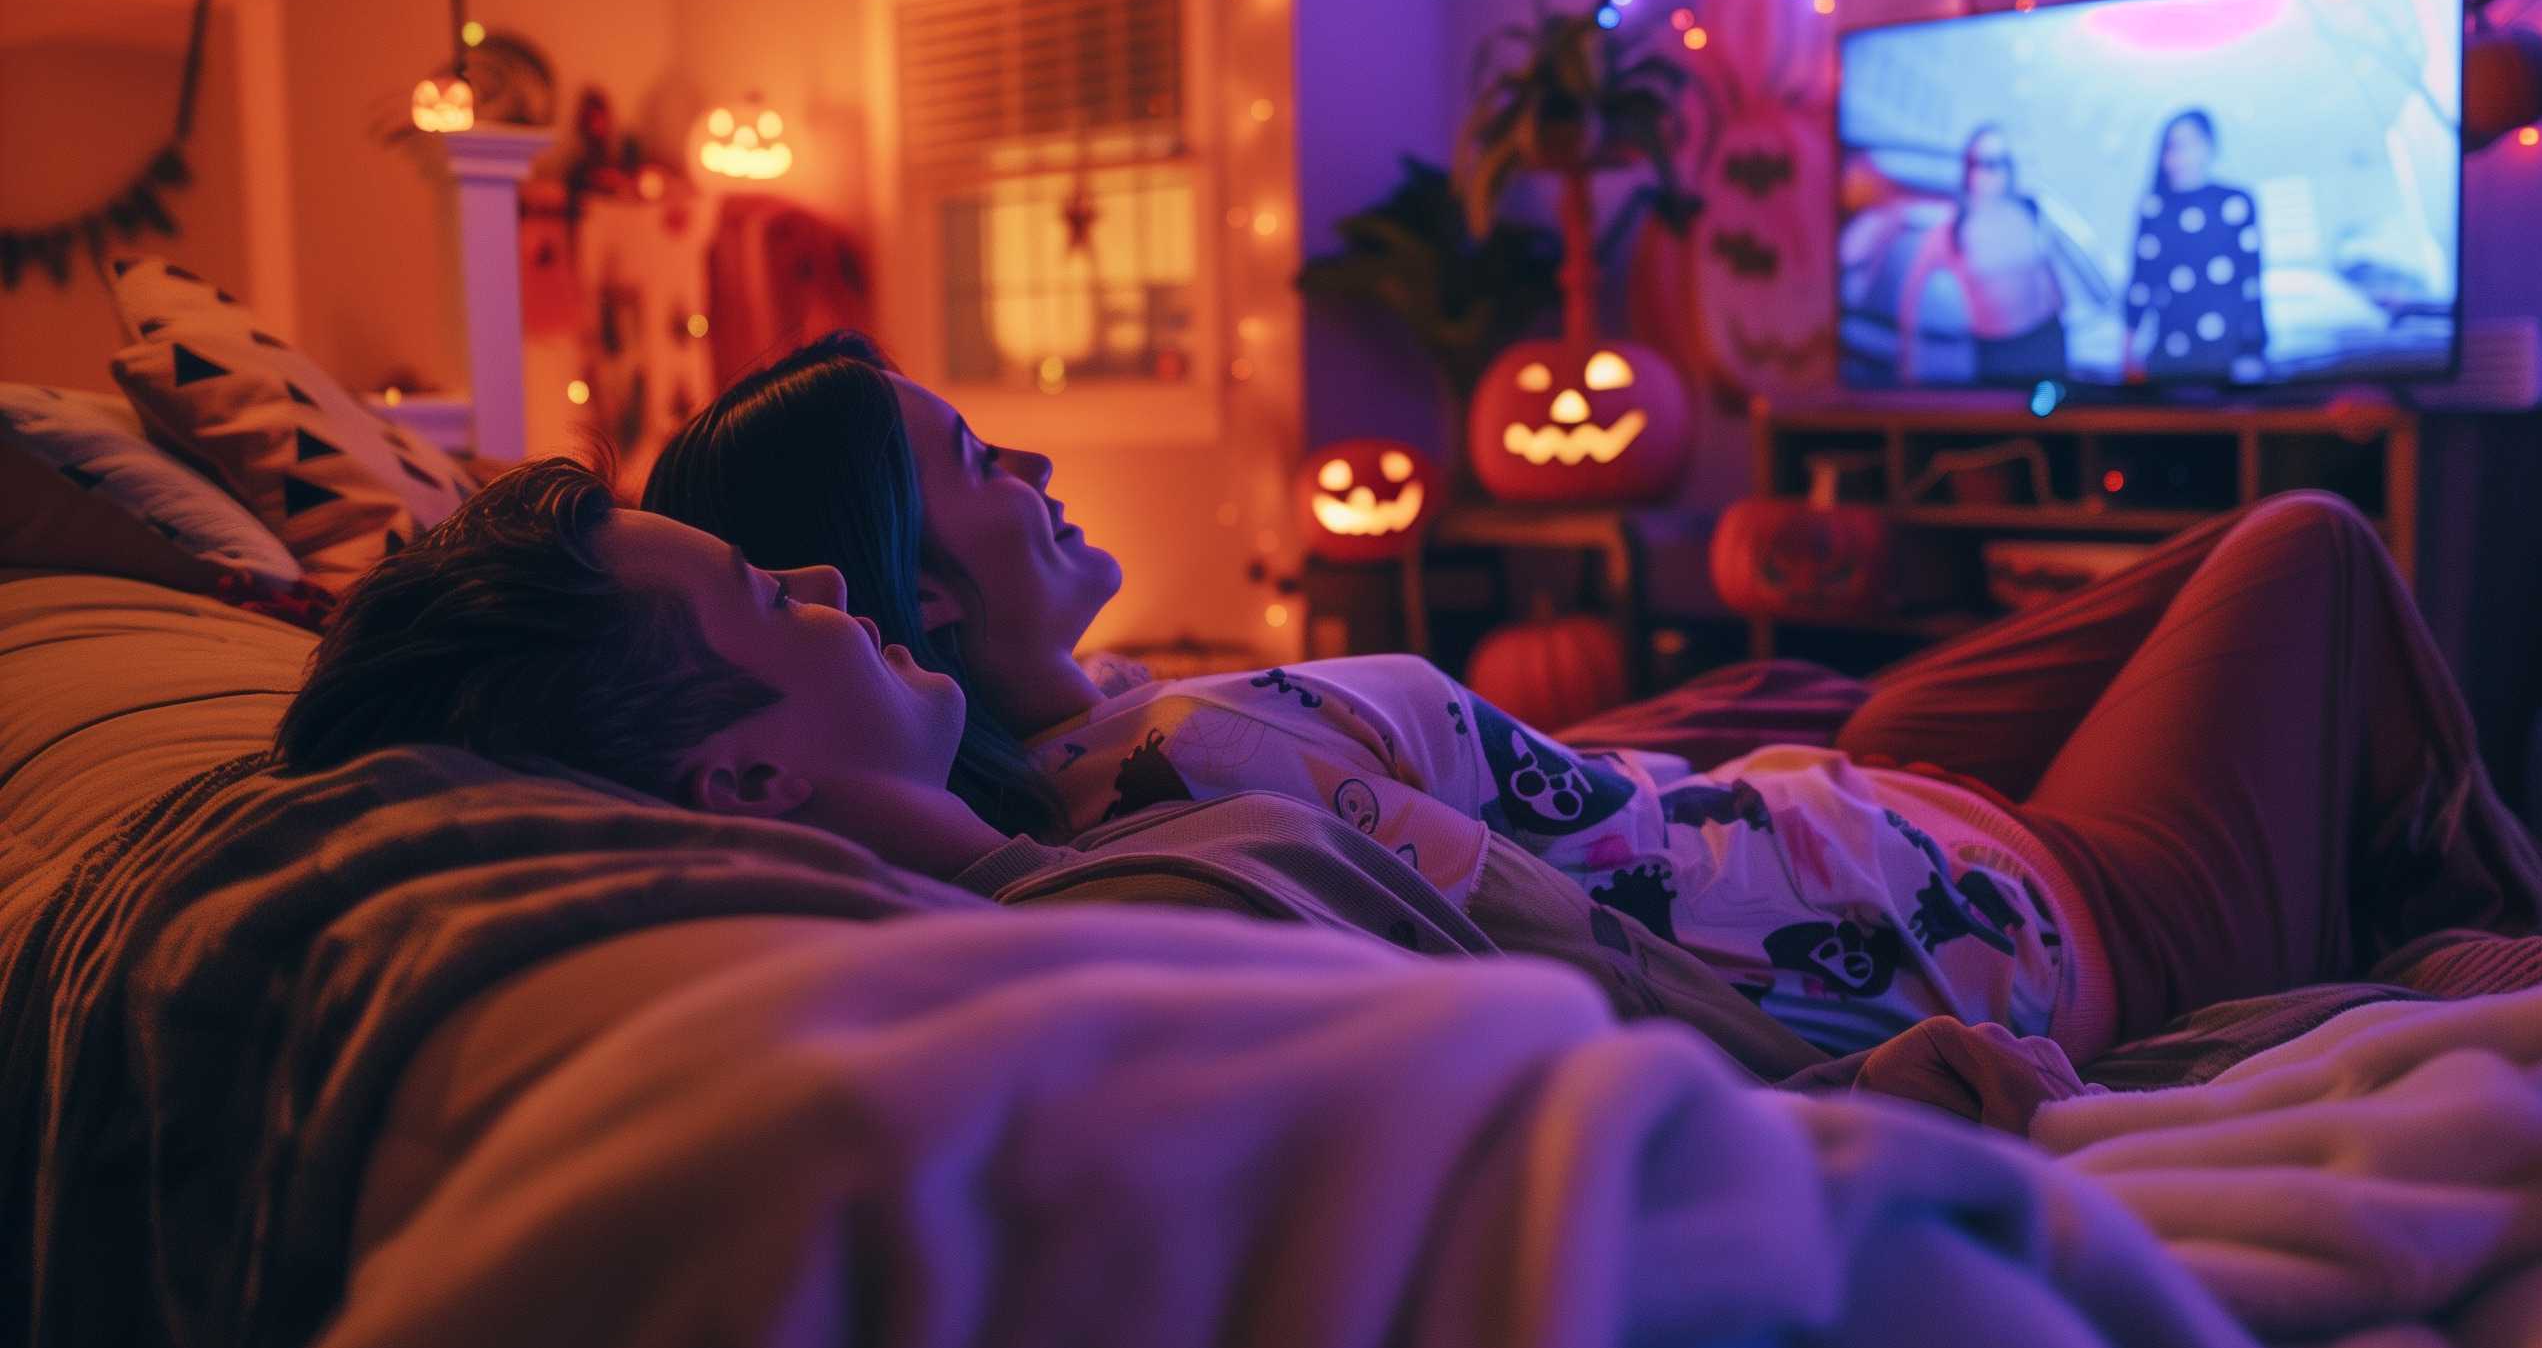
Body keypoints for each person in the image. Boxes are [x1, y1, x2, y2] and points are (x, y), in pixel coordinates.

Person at [647, 334, 2542, 1062]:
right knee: (2307, 539)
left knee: (1879, 639)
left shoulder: (1118, 725)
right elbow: (1591, 970)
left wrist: (1649, 748)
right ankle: (2518, 930)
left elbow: (1537, 839)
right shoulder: (1198, 785)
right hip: (2024, 923)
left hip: (1834, 796)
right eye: (987, 464)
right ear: (915, 596)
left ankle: (2446, 896)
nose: (1042, 471)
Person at [274, 458, 1828, 1080]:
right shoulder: (1169, 929)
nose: (829, 580)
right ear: (745, 786)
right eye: (764, 597)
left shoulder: (1111, 860)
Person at [1891, 126, 2111, 383]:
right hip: (1998, 355)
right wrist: (1908, 363)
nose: (1992, 173)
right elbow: (1910, 298)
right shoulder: (1951, 230)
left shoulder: (2032, 210)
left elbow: (2072, 263)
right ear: (1968, 169)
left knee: (2051, 419)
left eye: (2000, 163)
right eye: (1983, 163)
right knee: (2001, 421)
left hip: (2047, 342)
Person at [2123, 108, 2268, 379]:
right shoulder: (2154, 207)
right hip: (2169, 353)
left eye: (2191, 143)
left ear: (2209, 147)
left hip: (2227, 352)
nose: (2181, 154)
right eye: (2173, 145)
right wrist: (2127, 351)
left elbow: (2251, 283)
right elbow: (2140, 284)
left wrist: (2252, 351)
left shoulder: (2235, 202)